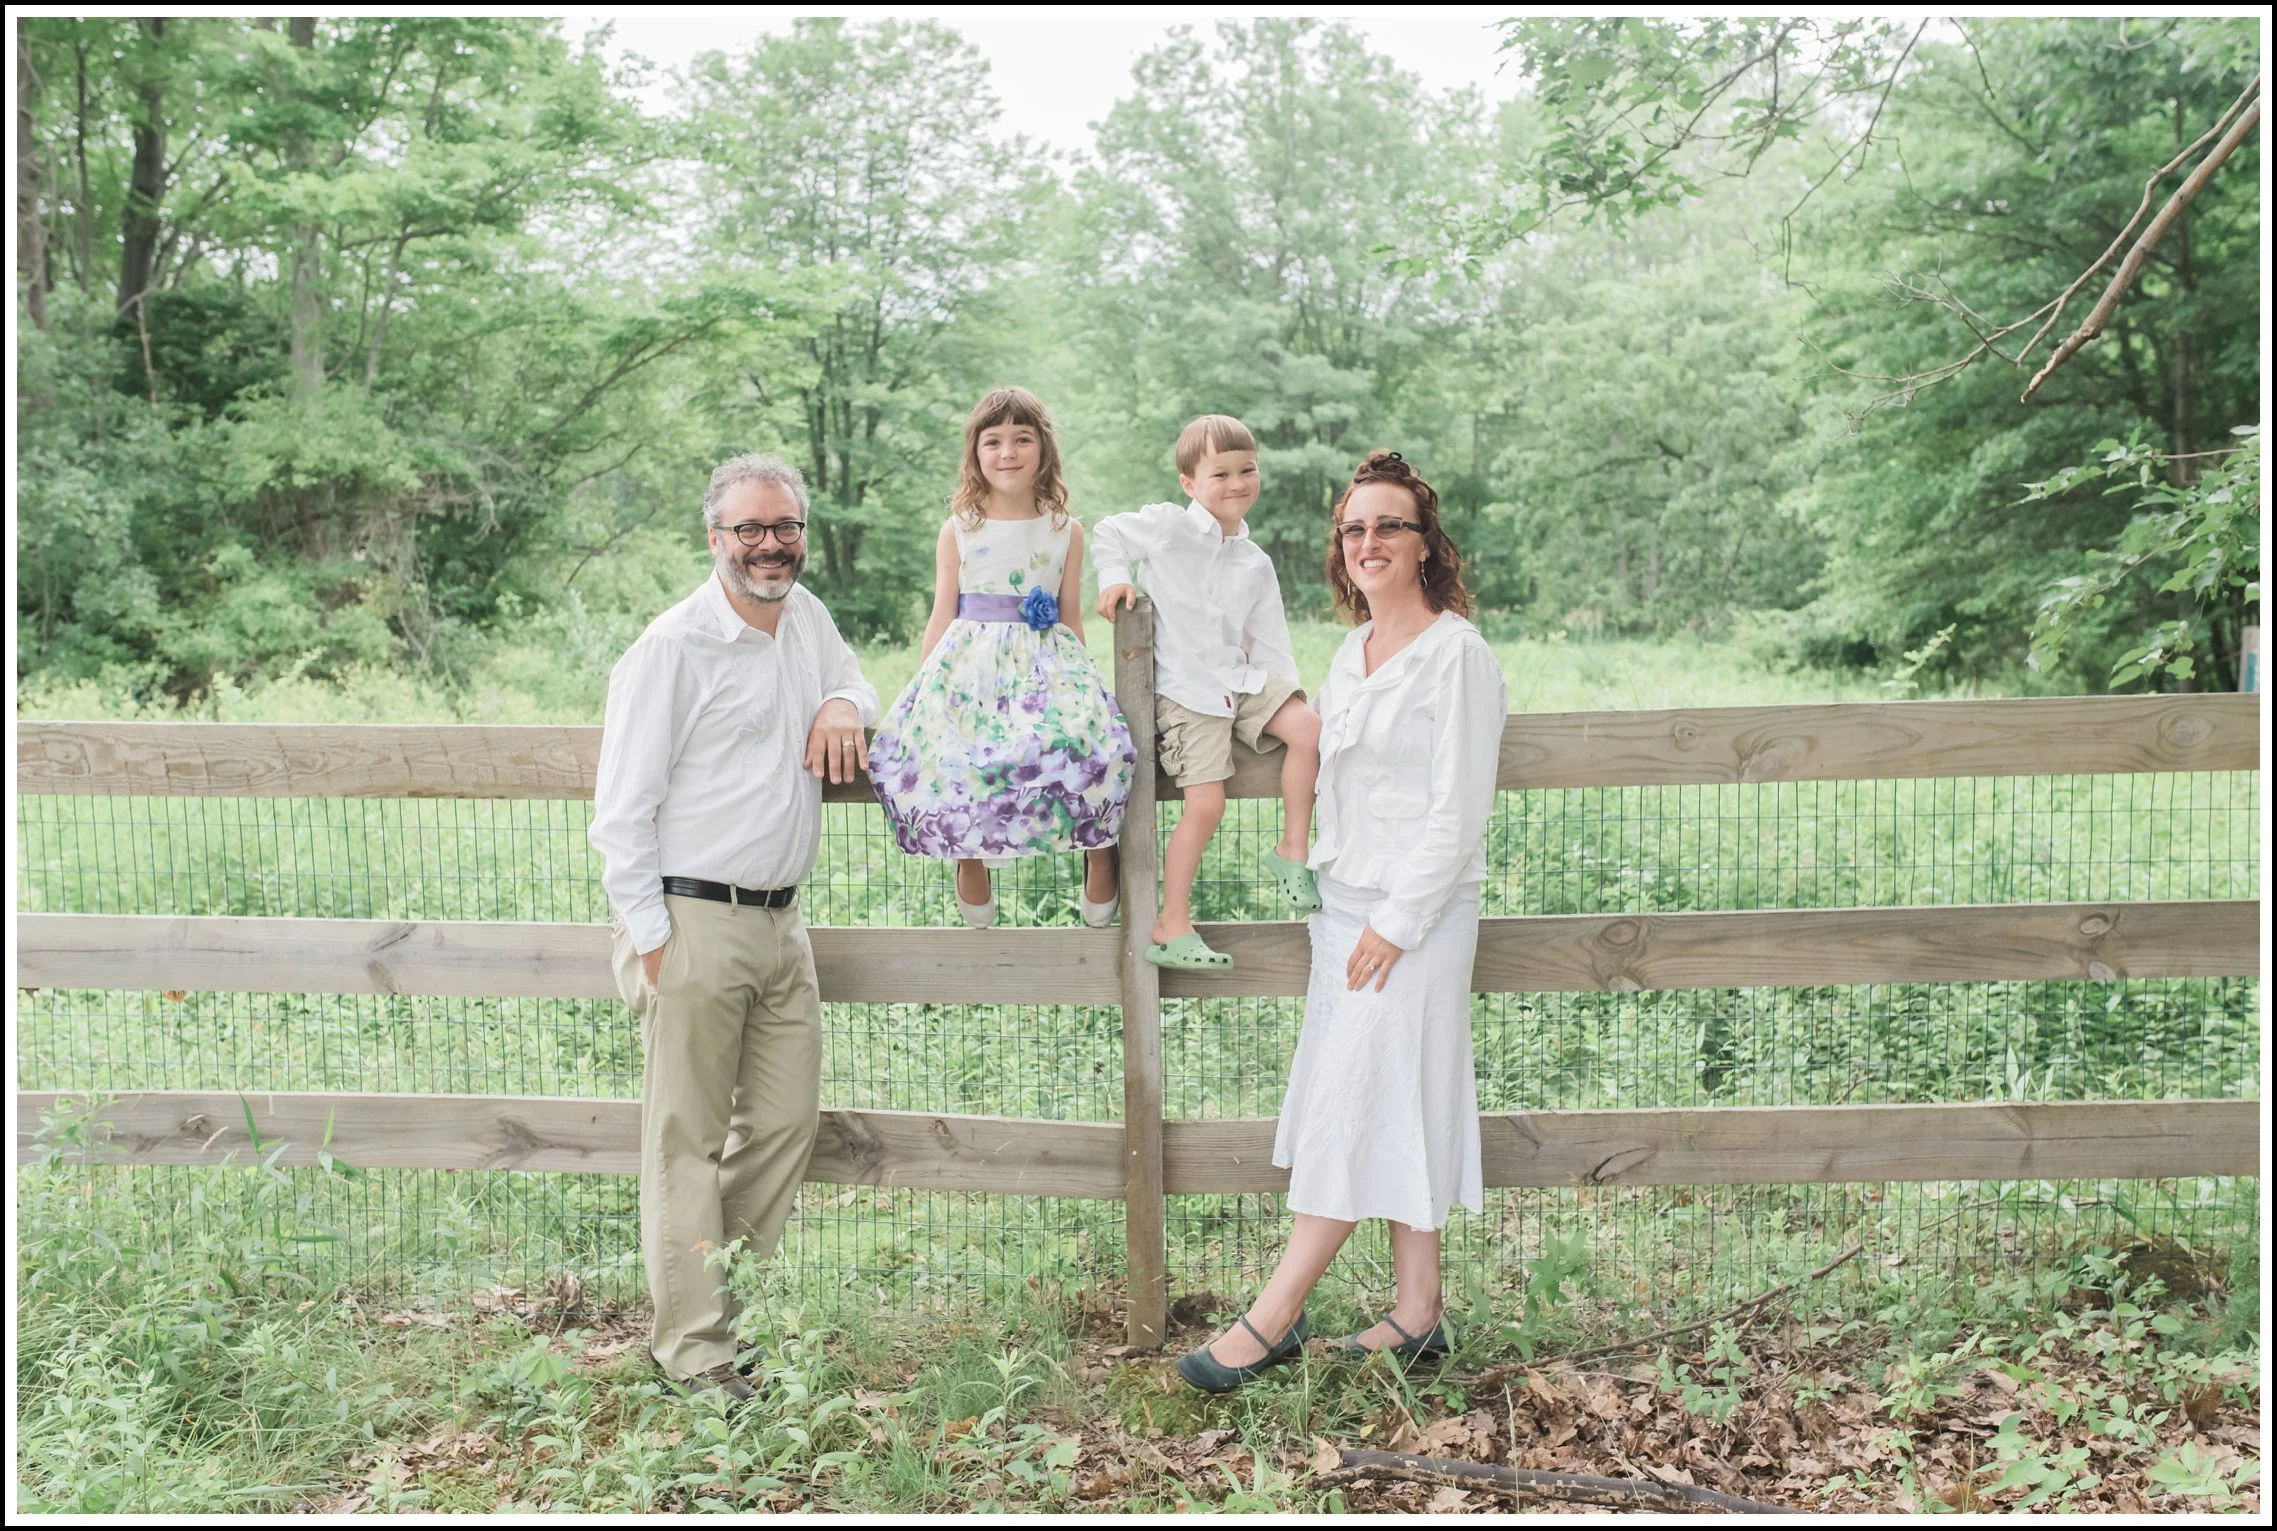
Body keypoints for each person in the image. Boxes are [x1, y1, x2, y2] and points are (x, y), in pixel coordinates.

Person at [1176, 450, 1508, 1393]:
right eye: (1353, 528)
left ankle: (1271, 1318)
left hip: (1414, 917)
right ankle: (1417, 1311)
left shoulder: (1457, 656)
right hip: (1343, 909)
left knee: (1355, 1105)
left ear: (1425, 543)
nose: (1368, 541)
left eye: (1388, 525)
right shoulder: (1349, 653)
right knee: (1385, 1094)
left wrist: (1397, 923)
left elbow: (1457, 813)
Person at [588, 452, 879, 1403]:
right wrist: (654, 940)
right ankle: (695, 1350)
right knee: (686, 1140)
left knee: (786, 1125)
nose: (769, 544)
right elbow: (621, 812)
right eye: (749, 528)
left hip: (782, 924)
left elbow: (858, 681)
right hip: (691, 920)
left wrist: (843, 700)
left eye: (784, 526)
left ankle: (716, 1305)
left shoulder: (807, 619)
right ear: (714, 537)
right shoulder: (672, 648)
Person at [867, 387, 1135, 927]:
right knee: (952, 754)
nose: (1008, 452)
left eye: (1021, 439)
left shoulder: (1064, 530)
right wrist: (924, 689)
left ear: (1043, 449)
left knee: (1094, 747)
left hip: (1046, 663)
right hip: (970, 667)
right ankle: (968, 855)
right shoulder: (960, 528)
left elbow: (1070, 616)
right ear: (976, 451)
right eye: (993, 441)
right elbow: (942, 614)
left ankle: (1099, 846)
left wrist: (1086, 686)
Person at [1092, 414, 1323, 970]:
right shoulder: (1169, 528)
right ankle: (1171, 923)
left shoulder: (1255, 560)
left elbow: (1269, 638)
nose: (1237, 483)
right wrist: (1115, 578)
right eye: (1220, 474)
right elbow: (1108, 533)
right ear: (1190, 483)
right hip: (1188, 691)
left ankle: (1292, 849)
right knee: (1206, 803)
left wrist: (1284, 698)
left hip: (1240, 681)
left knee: (1309, 729)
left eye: (1247, 470)